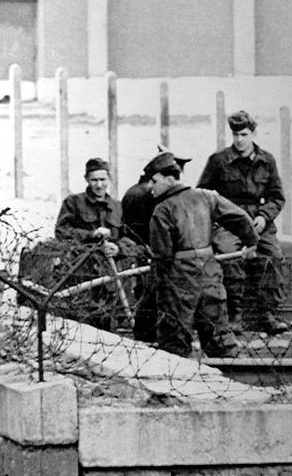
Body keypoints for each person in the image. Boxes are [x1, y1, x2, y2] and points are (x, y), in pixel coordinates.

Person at [147, 152, 258, 359]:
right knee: (219, 334)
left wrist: (155, 287)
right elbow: (240, 218)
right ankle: (233, 381)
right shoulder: (206, 197)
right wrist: (251, 244)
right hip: (209, 270)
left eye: (154, 181)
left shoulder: (162, 210)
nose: (150, 186)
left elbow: (162, 256)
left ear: (170, 180)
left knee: (174, 341)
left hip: (179, 277)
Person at [198, 110, 288, 335]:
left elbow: (277, 197)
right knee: (230, 258)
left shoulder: (267, 161)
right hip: (229, 220)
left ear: (254, 133)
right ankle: (234, 315)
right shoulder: (219, 161)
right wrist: (217, 221)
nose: (239, 140)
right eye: (235, 135)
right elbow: (203, 195)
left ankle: (268, 314)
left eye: (244, 134)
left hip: (259, 220)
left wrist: (263, 216)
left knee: (272, 257)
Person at [54, 157, 140, 330]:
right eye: (94, 180)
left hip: (112, 278)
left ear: (109, 179)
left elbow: (129, 238)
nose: (99, 185)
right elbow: (61, 231)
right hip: (83, 274)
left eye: (102, 180)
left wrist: (118, 248)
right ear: (86, 179)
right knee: (83, 324)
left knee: (111, 325)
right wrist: (91, 234)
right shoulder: (73, 203)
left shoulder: (117, 206)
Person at [122, 147, 191, 343]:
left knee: (148, 299)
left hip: (145, 252)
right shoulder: (154, 195)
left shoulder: (135, 191)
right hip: (156, 254)